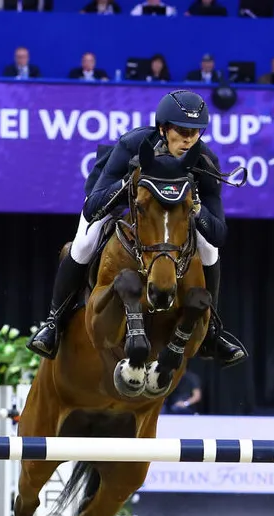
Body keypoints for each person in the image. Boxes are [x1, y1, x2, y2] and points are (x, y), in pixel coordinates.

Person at [27, 90, 246, 367]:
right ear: (164, 128)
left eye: (195, 131)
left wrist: (197, 209)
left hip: (172, 220)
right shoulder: (133, 145)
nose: (189, 139)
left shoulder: (204, 160)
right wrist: (128, 184)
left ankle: (213, 330)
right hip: (119, 204)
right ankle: (54, 322)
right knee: (84, 243)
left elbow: (219, 233)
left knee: (209, 250)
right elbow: (93, 204)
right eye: (181, 130)